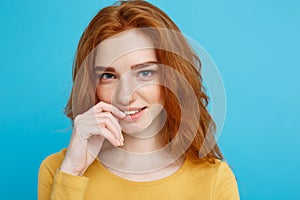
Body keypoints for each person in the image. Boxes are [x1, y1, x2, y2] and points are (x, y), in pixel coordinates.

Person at [38, 0, 240, 199]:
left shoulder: (214, 180)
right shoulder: (59, 169)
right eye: (108, 76)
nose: (125, 96)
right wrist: (72, 173)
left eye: (144, 73)